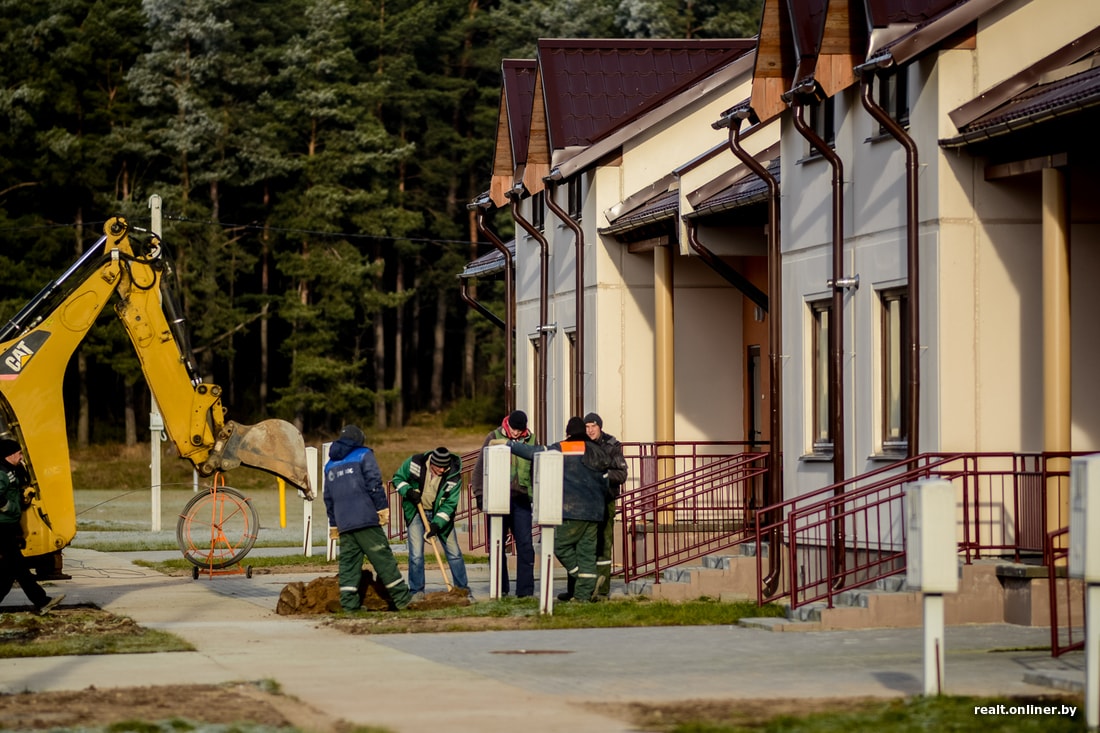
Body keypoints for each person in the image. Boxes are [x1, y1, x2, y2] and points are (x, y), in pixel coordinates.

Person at [508, 417, 612, 603]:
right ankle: (582, 596)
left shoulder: (565, 447)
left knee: (560, 545)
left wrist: (510, 445)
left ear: (569, 433)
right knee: (586, 553)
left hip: (572, 510)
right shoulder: (599, 451)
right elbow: (606, 482)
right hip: (596, 512)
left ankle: (584, 580)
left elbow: (535, 452)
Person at [323, 425, 412, 611]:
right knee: (383, 558)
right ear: (359, 440)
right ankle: (403, 600)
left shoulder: (329, 465)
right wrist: (382, 508)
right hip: (365, 518)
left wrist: (333, 524)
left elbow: (328, 497)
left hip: (344, 523)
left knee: (349, 564)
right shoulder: (363, 455)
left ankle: (349, 605)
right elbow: (373, 484)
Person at [471, 410, 537, 597]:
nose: (516, 433)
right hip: (497, 497)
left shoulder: (531, 440)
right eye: (514, 430)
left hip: (522, 498)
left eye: (520, 430)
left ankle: (525, 591)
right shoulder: (493, 437)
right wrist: (480, 494)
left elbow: (535, 468)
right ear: (508, 425)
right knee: (497, 545)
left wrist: (535, 495)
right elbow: (479, 468)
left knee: (525, 545)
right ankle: (500, 588)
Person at [392, 447, 470, 600]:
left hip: (439, 514)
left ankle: (462, 591)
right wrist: (408, 491)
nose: (442, 470)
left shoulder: (453, 476)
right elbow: (397, 479)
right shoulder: (415, 462)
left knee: (454, 553)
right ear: (431, 462)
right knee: (416, 555)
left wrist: (436, 525)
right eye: (438, 467)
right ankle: (416, 591)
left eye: (444, 467)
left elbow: (449, 505)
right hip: (416, 511)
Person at [0, 438, 64, 615]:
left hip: (9, 525)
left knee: (9, 570)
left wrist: (21, 498)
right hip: (2, 526)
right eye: (19, 453)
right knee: (18, 567)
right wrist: (10, 508)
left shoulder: (11, 470)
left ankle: (42, 601)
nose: (21, 456)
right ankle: (42, 601)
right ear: (10, 454)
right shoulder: (2, 472)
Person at [584, 412, 628, 599]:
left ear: (600, 427)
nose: (590, 430)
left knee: (604, 543)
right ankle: (585, 588)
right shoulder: (581, 445)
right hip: (584, 502)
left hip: (605, 500)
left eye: (593, 426)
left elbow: (621, 474)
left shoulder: (612, 446)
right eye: (586, 427)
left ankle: (602, 589)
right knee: (586, 545)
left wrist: (603, 476)